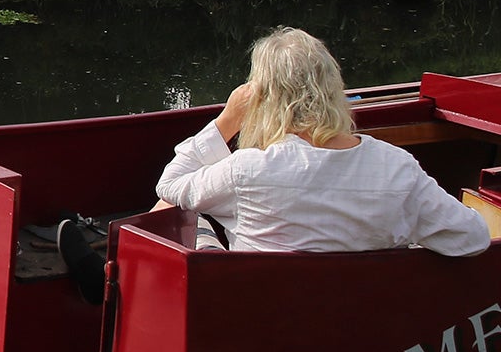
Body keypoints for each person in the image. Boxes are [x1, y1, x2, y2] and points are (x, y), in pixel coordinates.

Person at [153, 27, 490, 256]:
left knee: (190, 222)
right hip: (359, 334)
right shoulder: (395, 168)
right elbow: (473, 238)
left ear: (262, 99)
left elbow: (169, 185)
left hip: (262, 329)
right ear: (334, 89)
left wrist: (227, 121)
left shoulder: (246, 171)